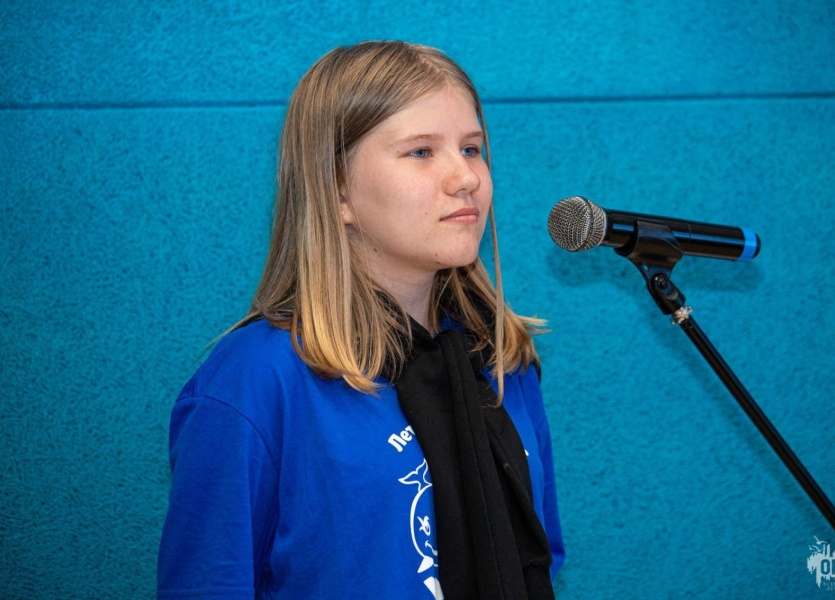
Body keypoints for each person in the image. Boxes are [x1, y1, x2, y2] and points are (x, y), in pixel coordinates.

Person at [157, 40, 565, 599]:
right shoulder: (256, 380)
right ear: (337, 190)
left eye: (472, 149)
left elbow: (540, 558)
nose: (465, 176)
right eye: (420, 152)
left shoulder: (500, 359)